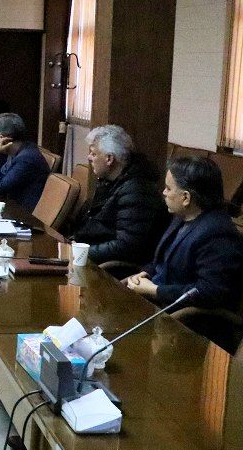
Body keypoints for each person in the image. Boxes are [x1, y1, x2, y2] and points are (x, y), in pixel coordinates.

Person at [124, 156, 243, 316]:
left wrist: (155, 290)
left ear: (186, 198)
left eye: (168, 188)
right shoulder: (182, 216)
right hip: (156, 303)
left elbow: (210, 292)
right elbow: (162, 261)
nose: (163, 193)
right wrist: (145, 273)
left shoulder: (219, 234)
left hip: (182, 318)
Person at [72, 125, 170, 265]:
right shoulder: (110, 181)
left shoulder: (137, 191)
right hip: (91, 255)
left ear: (109, 159)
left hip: (111, 268)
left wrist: (81, 252)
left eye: (93, 154)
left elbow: (127, 246)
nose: (89, 157)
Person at [0, 113, 50, 210]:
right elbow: (1, 177)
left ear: (2, 139)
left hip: (23, 213)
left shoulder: (26, 159)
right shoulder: (19, 150)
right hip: (13, 207)